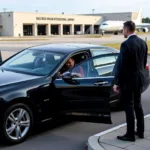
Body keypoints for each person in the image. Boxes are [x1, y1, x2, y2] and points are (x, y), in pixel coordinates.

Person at [113, 21, 148, 142]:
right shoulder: (143, 43)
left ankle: (130, 134)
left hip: (128, 81)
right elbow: (143, 63)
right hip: (139, 78)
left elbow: (121, 66)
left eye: (123, 29)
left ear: (127, 30)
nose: (123, 31)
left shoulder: (125, 44)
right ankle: (140, 131)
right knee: (138, 105)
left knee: (129, 106)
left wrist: (116, 82)